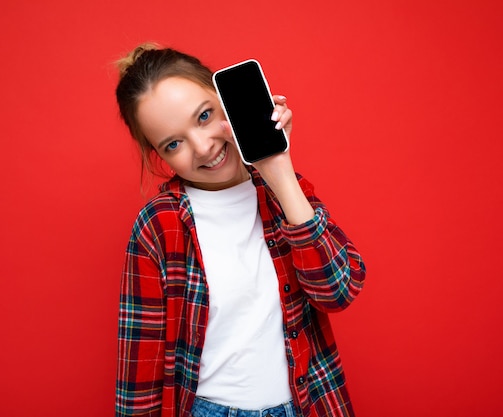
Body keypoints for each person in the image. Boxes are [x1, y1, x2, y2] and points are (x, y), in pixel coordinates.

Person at [114, 43, 366, 417]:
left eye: (203, 116)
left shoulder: (286, 193)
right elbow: (142, 361)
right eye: (173, 143)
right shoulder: (159, 225)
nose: (202, 148)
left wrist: (279, 173)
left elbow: (338, 291)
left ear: (226, 99)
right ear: (159, 155)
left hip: (304, 406)